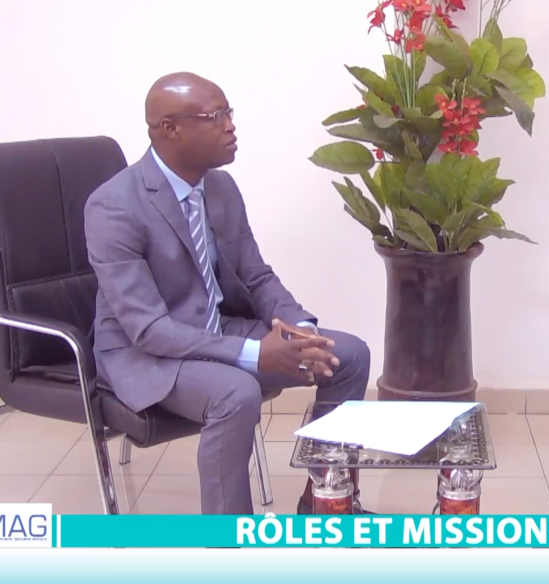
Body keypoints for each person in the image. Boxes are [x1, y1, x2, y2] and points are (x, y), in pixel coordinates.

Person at [84, 72, 371, 515]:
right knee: (235, 393)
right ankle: (228, 539)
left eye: (228, 113)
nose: (230, 126)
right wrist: (256, 354)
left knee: (346, 356)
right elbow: (148, 329)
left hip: (216, 329)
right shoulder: (114, 206)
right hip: (147, 355)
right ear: (170, 129)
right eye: (215, 116)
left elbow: (256, 277)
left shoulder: (220, 187)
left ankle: (326, 506)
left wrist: (301, 330)